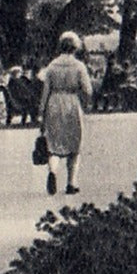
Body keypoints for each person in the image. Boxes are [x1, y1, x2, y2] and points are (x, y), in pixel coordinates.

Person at [39, 32, 93, 196]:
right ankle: (71, 183)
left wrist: (42, 113)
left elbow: (45, 91)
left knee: (54, 144)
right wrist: (86, 102)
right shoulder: (78, 66)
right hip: (71, 104)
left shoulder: (52, 66)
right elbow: (87, 90)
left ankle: (53, 171)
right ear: (76, 47)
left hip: (54, 103)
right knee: (74, 145)